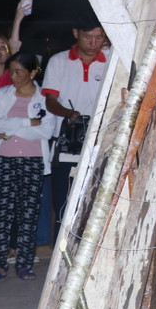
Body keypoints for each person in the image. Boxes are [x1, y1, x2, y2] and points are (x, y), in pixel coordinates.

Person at [0, 53, 58, 281]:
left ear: (32, 73)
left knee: (28, 213)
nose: (13, 76)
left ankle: (25, 264)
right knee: (0, 213)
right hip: (3, 160)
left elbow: (46, 130)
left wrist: (10, 128)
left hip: (32, 160)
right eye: (11, 71)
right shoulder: (3, 93)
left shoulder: (44, 98)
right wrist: (27, 123)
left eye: (19, 72)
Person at [42, 17, 109, 237]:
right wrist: (68, 114)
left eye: (99, 37)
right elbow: (50, 101)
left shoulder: (111, 60)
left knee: (95, 201)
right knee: (63, 202)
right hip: (67, 141)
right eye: (88, 37)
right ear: (75, 33)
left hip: (99, 141)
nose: (93, 43)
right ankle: (59, 248)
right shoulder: (59, 61)